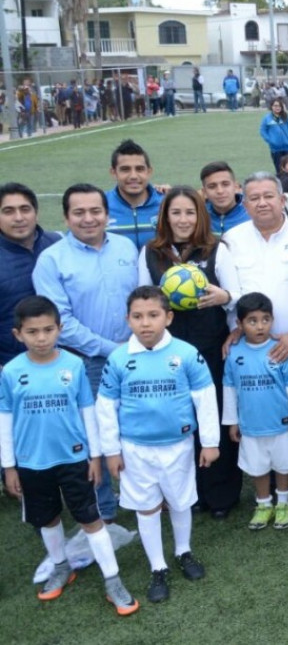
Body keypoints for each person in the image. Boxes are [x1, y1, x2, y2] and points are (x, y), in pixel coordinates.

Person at [0, 297, 138, 614]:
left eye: (48, 330)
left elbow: (87, 411)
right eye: (32, 332)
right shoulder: (11, 372)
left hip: (75, 460)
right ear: (18, 334)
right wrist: (9, 466)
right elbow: (4, 419)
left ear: (59, 330)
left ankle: (113, 579)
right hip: (31, 463)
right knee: (47, 518)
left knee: (90, 518)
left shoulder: (74, 365)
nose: (41, 338)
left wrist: (95, 456)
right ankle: (61, 566)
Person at [96, 286, 219, 604]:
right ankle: (158, 566)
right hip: (135, 450)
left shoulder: (187, 354)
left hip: (178, 445)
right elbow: (106, 407)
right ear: (128, 320)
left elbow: (205, 399)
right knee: (147, 507)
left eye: (153, 315)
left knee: (180, 502)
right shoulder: (118, 358)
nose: (145, 323)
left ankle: (183, 551)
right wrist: (111, 450)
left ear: (169, 317)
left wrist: (210, 442)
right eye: (137, 316)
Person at [33, 184, 138, 522]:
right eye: (79, 212)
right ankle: (103, 508)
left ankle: (141, 494)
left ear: (107, 214)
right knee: (94, 434)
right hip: (86, 362)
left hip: (133, 355)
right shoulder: (52, 260)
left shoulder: (124, 246)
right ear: (66, 217)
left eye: (95, 211)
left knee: (135, 424)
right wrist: (112, 349)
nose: (88, 218)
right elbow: (61, 322)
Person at [137, 186, 242, 519]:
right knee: (180, 422)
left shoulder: (216, 249)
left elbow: (237, 295)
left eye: (190, 212)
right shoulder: (151, 252)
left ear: (200, 216)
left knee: (214, 417)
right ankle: (187, 493)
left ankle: (221, 494)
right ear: (165, 217)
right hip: (169, 355)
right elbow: (143, 299)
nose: (183, 220)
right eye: (176, 213)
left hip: (210, 349)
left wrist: (224, 297)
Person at [222, 173, 288, 507]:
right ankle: (265, 482)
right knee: (264, 412)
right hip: (252, 347)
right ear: (244, 203)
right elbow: (231, 293)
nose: (262, 203)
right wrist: (235, 328)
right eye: (254, 197)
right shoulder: (232, 239)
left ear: (282, 200)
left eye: (269, 196)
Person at [222, 292, 288, 531]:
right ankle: (263, 504)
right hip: (250, 425)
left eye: (265, 320)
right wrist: (232, 422)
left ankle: (283, 503)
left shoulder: (280, 350)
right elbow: (229, 388)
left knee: (283, 465)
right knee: (257, 467)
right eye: (252, 321)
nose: (260, 326)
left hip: (281, 423)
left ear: (272, 320)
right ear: (239, 324)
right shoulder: (234, 353)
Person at [0, 183, 61, 367]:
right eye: (8, 211)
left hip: (61, 358)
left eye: (25, 209)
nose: (19, 218)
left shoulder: (57, 243)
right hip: (10, 364)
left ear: (36, 213)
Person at [106, 140, 164, 250]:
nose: (133, 176)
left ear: (149, 172)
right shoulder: (100, 206)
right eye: (125, 169)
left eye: (139, 169)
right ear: (113, 173)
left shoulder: (166, 203)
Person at [200, 162, 251, 236]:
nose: (220, 191)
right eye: (212, 186)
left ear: (236, 187)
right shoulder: (199, 216)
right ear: (204, 192)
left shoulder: (252, 214)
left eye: (225, 184)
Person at [260, 99, 288, 171]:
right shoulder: (267, 118)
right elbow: (263, 131)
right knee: (279, 169)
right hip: (275, 149)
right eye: (275, 106)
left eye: (279, 106)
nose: (277, 107)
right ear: (271, 107)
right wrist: (270, 140)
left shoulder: (286, 116)